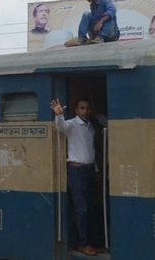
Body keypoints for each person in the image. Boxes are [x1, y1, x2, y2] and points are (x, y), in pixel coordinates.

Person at [50, 97, 98, 256]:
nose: (85, 111)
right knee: (81, 209)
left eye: (87, 108)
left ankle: (88, 241)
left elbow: (91, 150)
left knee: (90, 207)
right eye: (82, 108)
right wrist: (58, 115)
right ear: (76, 110)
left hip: (89, 170)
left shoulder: (90, 127)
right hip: (76, 171)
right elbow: (61, 127)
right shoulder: (72, 123)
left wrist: (95, 169)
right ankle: (82, 243)